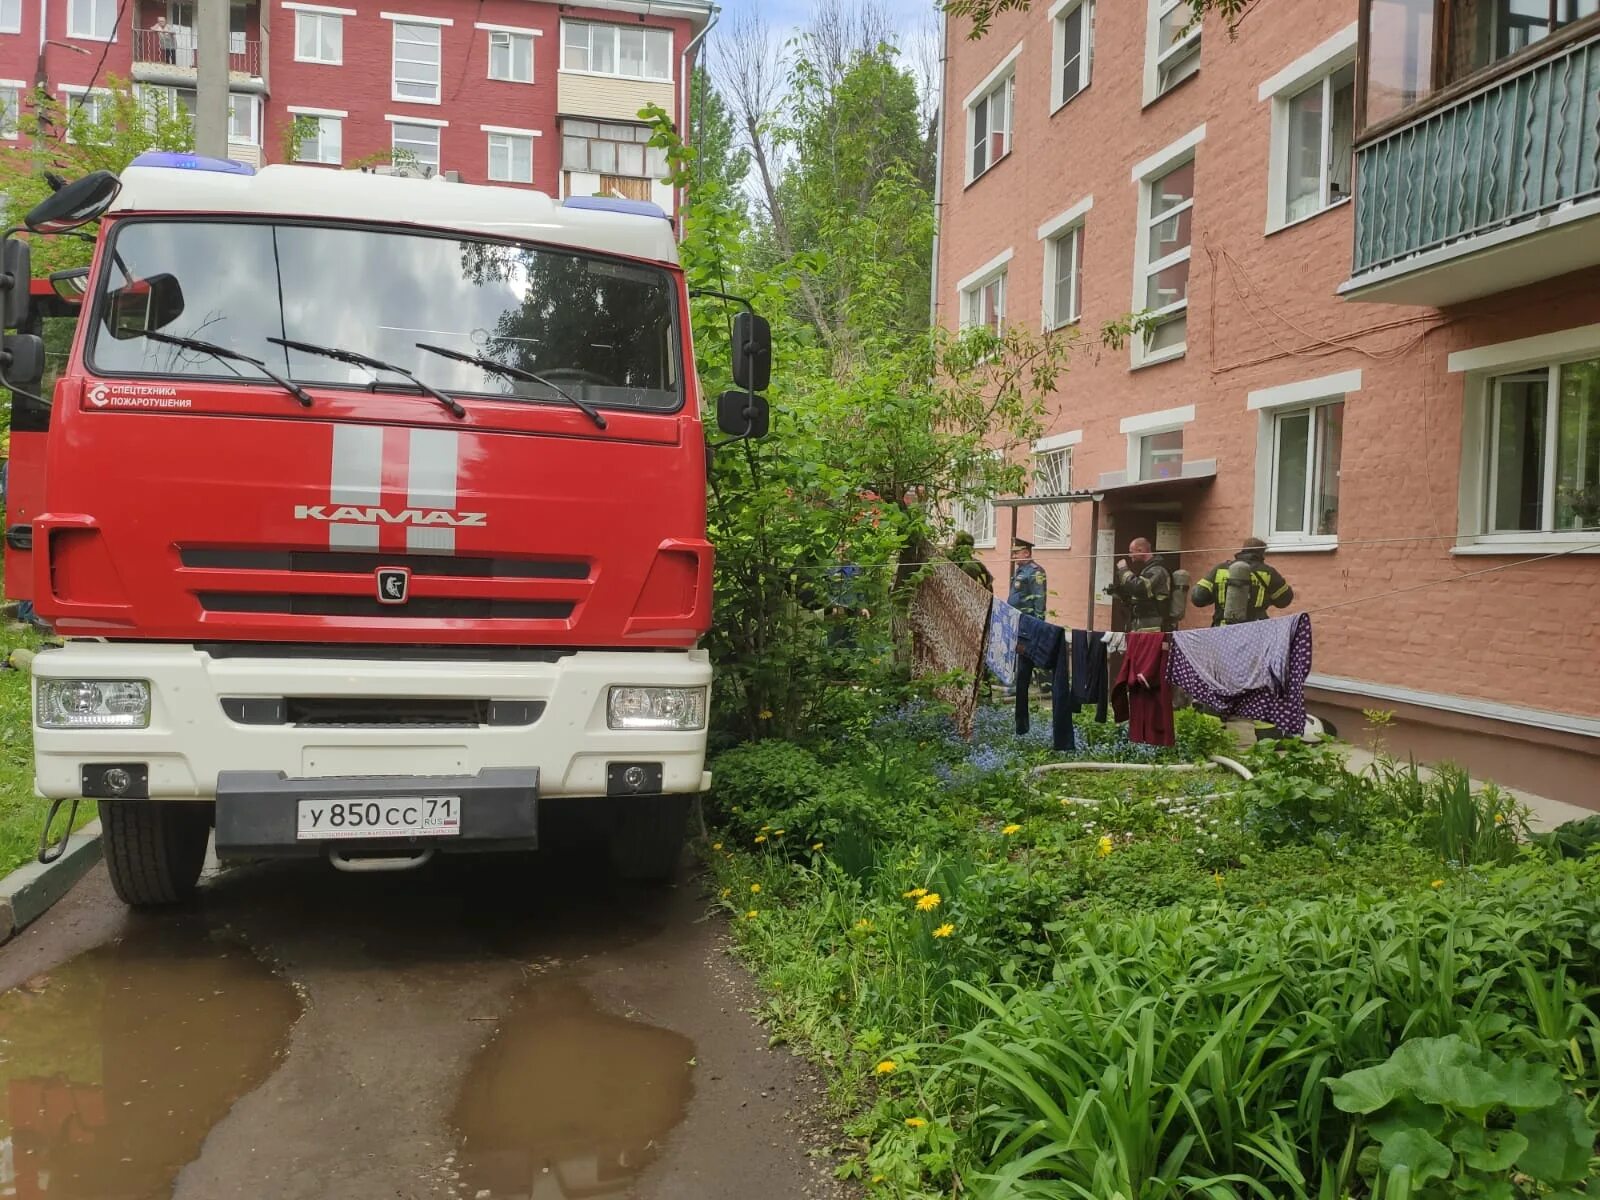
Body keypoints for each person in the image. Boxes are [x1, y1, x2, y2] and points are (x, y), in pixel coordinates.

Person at [1190, 536, 1294, 626]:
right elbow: (1284, 600)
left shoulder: (1220, 569)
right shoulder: (1268, 573)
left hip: (1222, 632)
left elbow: (1198, 597)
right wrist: (1267, 599)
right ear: (1262, 553)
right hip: (1255, 632)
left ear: (1243, 550)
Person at [1107, 537, 1172, 632]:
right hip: (1143, 624)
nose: (1129, 555)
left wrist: (1123, 570)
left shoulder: (1158, 569)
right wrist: (1122, 593)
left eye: (1131, 552)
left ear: (1140, 550)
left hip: (1153, 627)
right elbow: (1142, 595)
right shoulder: (1148, 568)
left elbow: (1140, 588)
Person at [1007, 538, 1047, 619]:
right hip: (1016, 616)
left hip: (1027, 618)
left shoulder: (1035, 571)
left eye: (1016, 553)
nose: (1013, 556)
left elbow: (1039, 599)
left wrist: (1038, 622)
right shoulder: (1020, 569)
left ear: (1026, 553)